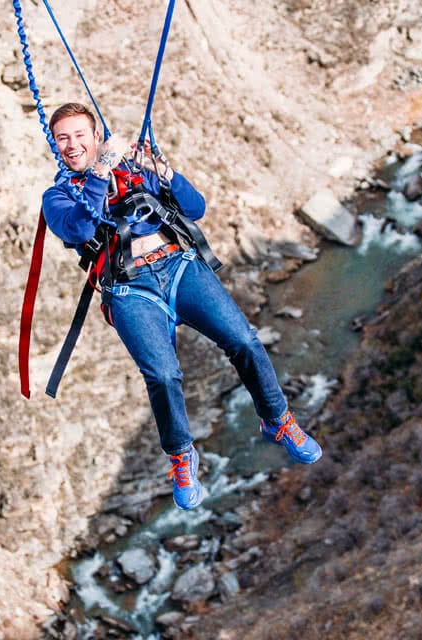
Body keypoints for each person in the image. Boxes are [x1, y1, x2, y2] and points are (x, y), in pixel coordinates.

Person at [41, 103, 322, 510]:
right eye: (63, 138)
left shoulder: (134, 172)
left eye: (79, 135)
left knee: (243, 339)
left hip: (177, 266)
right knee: (163, 374)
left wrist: (163, 171)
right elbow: (82, 228)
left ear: (97, 136)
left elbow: (195, 208)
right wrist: (100, 172)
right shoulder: (58, 196)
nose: (72, 145)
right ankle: (181, 456)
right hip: (127, 287)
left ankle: (278, 420)